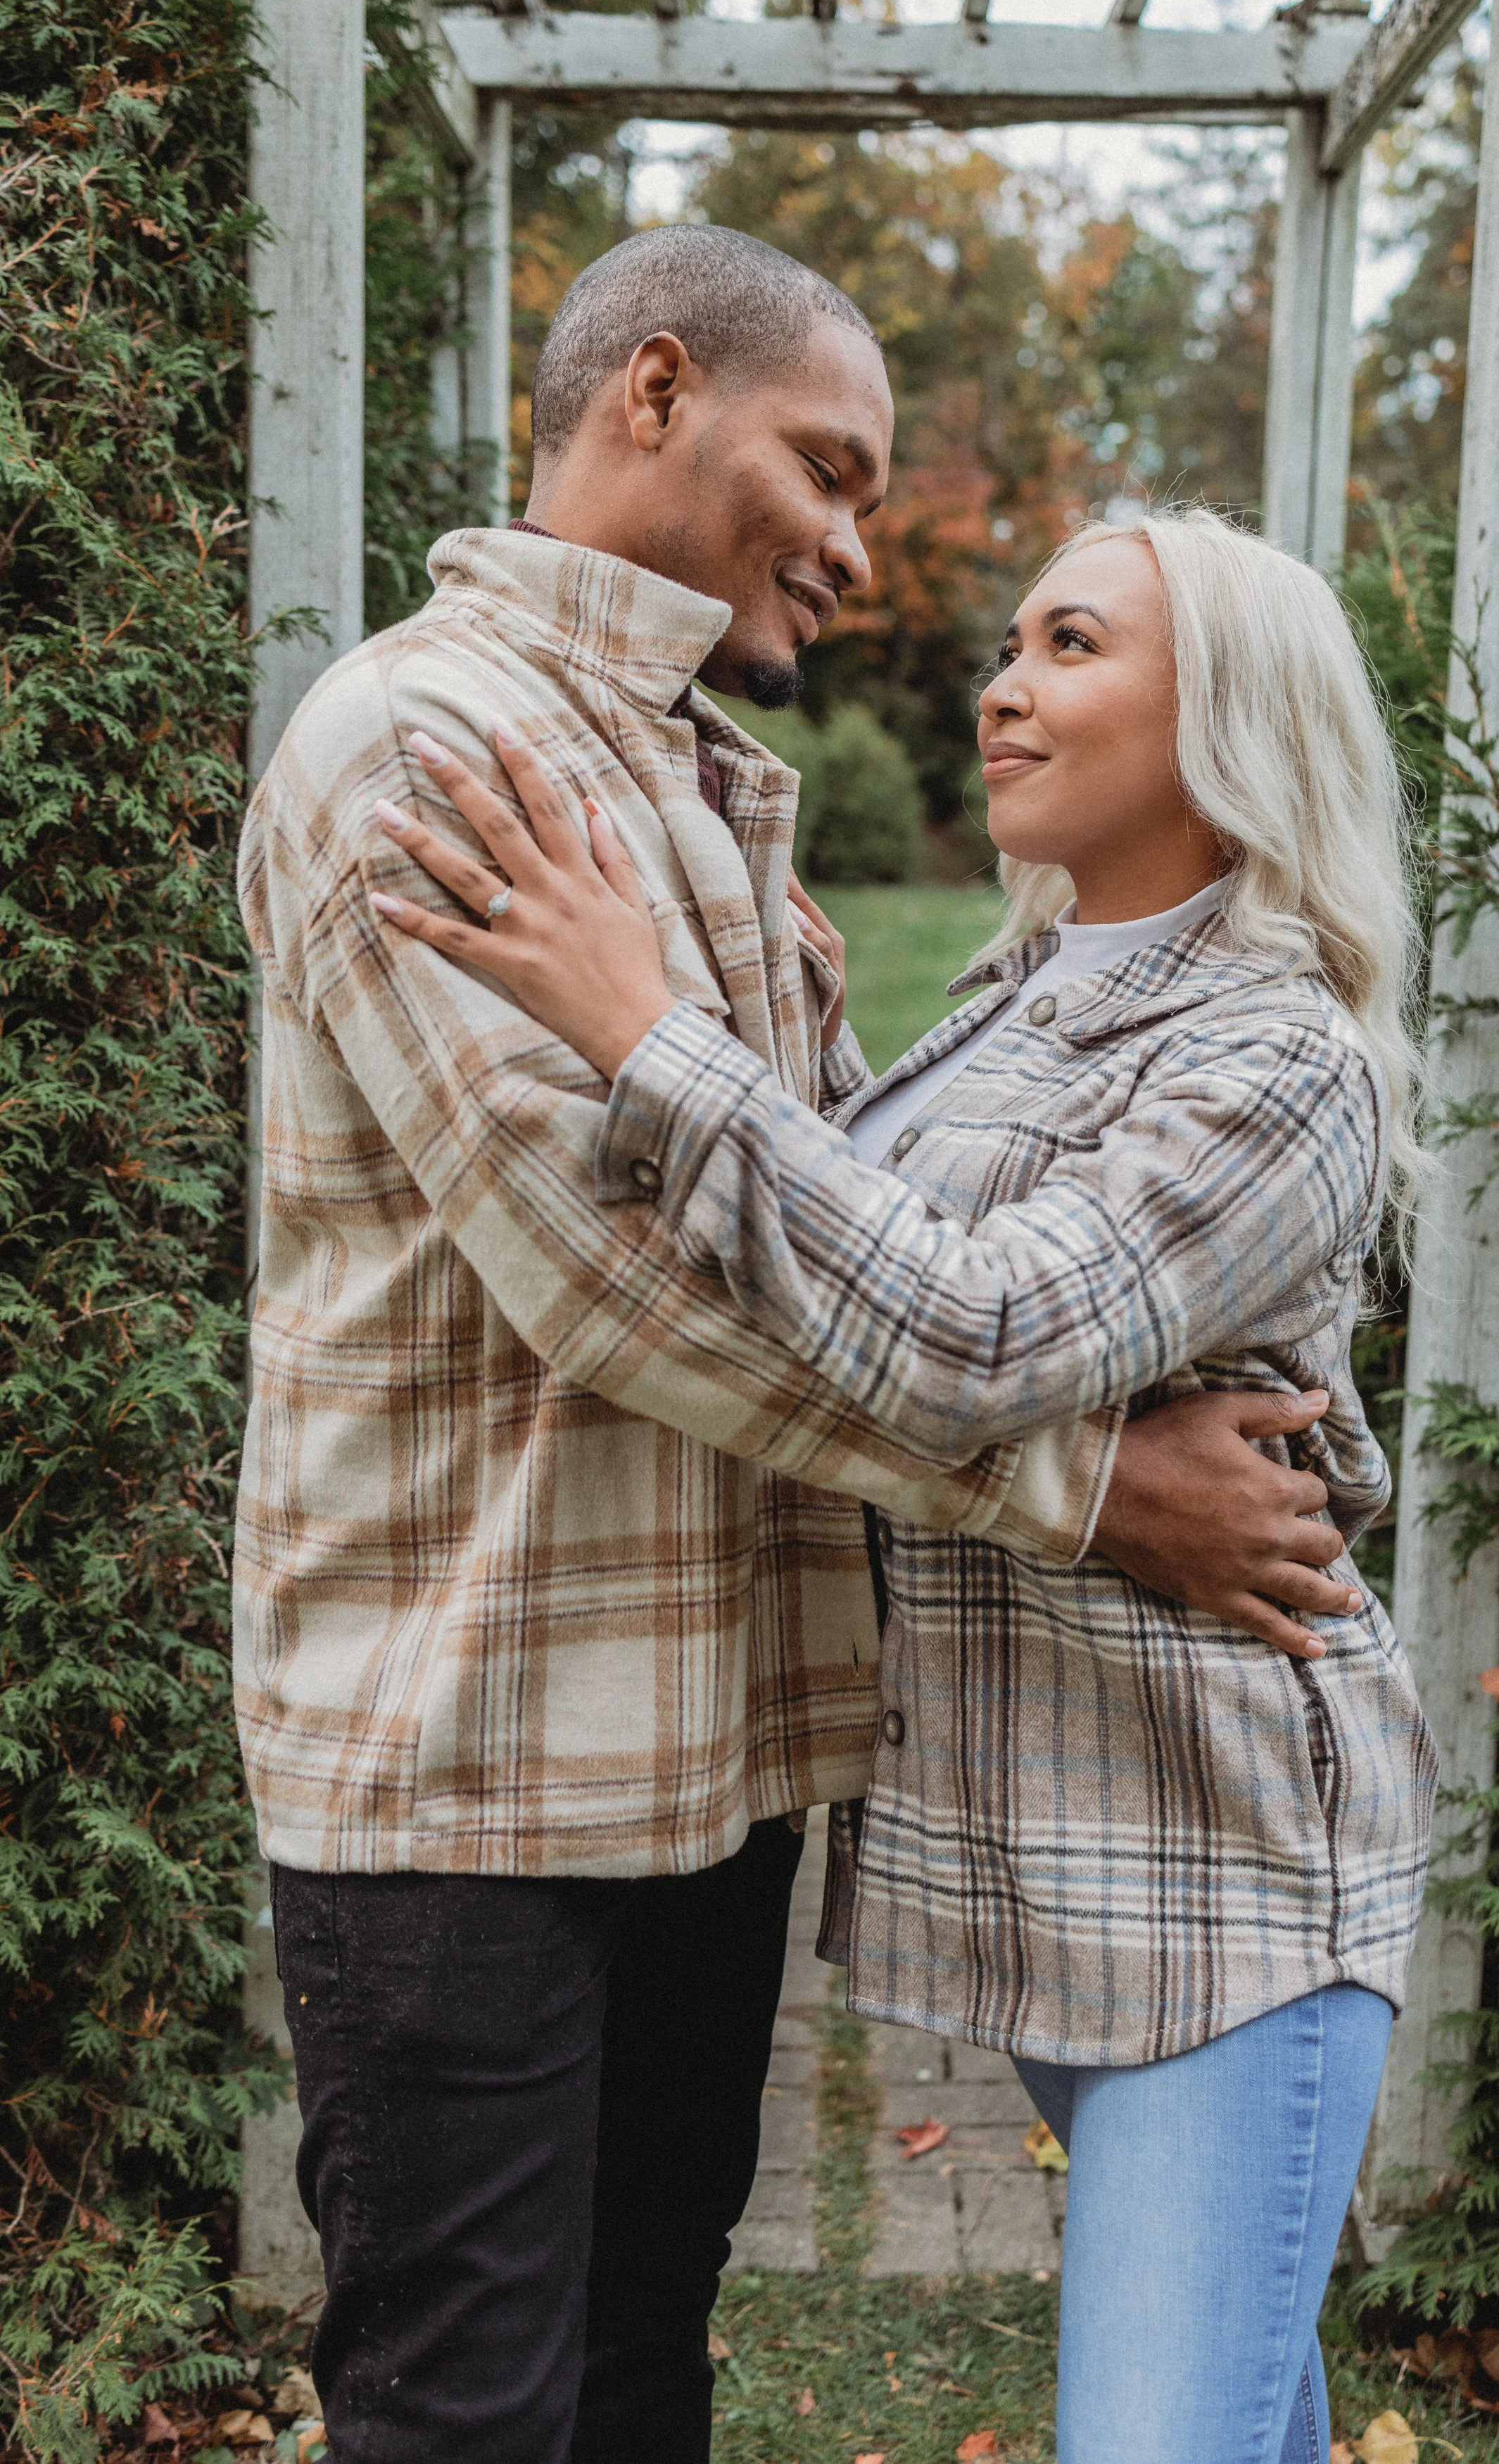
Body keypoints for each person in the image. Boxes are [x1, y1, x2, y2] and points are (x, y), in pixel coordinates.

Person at [239, 225, 1363, 2464]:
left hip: (698, 1753)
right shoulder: (426, 739)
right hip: (466, 1766)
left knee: (644, 2362)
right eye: (827, 469)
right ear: (651, 392)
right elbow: (614, 1277)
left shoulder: (690, 781)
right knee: (466, 2410)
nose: (863, 548)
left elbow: (834, 1225)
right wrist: (1085, 1482)